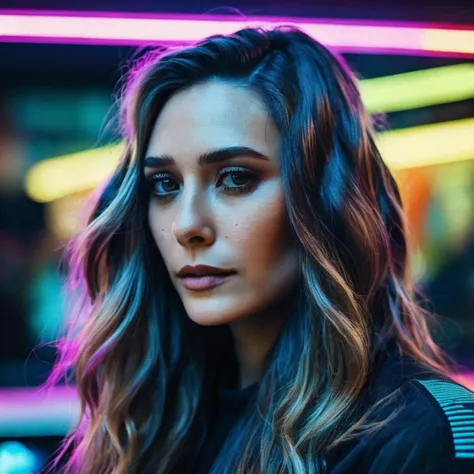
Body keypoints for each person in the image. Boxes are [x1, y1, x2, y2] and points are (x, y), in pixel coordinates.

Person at [47, 26, 474, 473]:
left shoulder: (428, 435)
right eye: (165, 184)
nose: (187, 225)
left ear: (326, 199)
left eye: (235, 178)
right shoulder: (157, 421)